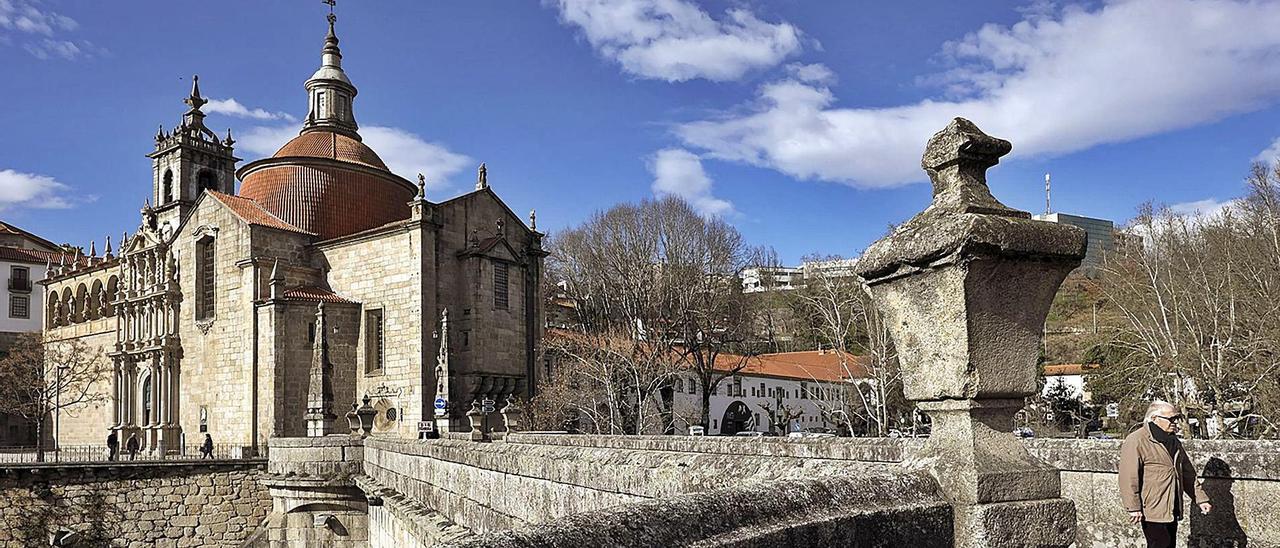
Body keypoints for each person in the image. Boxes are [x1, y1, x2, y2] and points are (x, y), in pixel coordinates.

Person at [1118, 401, 1212, 548]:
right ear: (1154, 418)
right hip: (1152, 509)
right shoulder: (1137, 440)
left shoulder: (1173, 441)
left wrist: (1201, 499)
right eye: (1171, 419)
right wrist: (1133, 507)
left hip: (1172, 507)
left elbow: (1187, 473)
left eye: (1177, 418)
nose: (1175, 422)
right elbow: (1128, 477)